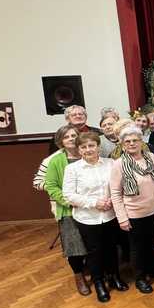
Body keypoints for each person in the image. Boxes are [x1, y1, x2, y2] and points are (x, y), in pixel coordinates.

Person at [62, 132, 127, 303]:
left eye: (91, 145)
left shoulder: (111, 163)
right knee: (94, 251)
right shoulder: (72, 169)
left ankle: (114, 277)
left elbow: (119, 186)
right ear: (79, 150)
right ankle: (99, 282)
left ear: (98, 146)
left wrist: (112, 200)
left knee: (112, 248)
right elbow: (68, 195)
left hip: (110, 214)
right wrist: (94, 203)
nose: (88, 149)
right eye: (83, 147)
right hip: (87, 218)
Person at [109, 126, 154, 294]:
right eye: (128, 141)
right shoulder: (119, 164)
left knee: (153, 244)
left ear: (141, 142)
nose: (132, 144)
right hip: (133, 214)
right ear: (123, 145)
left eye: (135, 140)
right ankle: (140, 278)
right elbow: (115, 193)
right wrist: (122, 218)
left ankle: (153, 269)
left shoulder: (151, 157)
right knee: (137, 248)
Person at [44, 125, 88, 296]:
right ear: (60, 141)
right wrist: (69, 202)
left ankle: (96, 272)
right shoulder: (55, 161)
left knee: (92, 244)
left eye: (73, 135)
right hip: (70, 210)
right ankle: (79, 276)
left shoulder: (87, 154)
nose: (70, 138)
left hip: (90, 209)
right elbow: (51, 186)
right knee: (74, 246)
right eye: (66, 136)